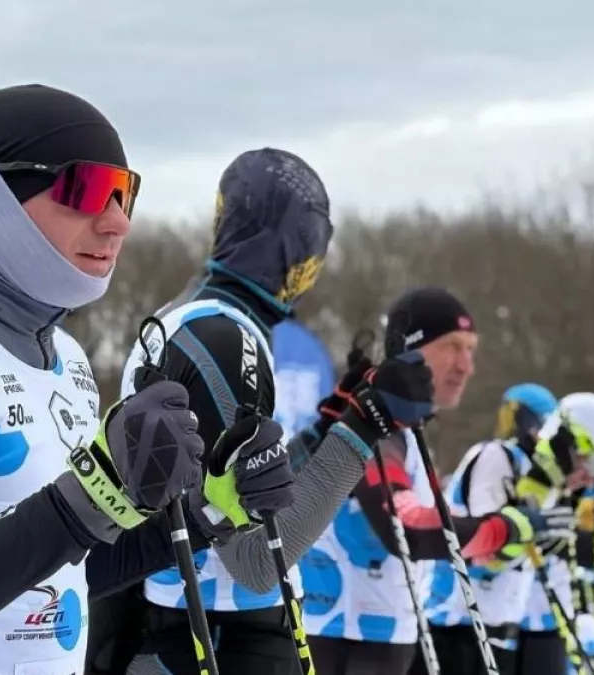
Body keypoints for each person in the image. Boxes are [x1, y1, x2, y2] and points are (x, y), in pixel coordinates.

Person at [0, 84, 284, 674]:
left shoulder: (67, 358)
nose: (117, 222)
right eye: (86, 189)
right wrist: (89, 498)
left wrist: (206, 512)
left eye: (125, 193)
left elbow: (53, 574)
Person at [87, 148, 434, 675]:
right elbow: (254, 560)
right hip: (222, 635)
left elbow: (242, 487)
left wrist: (331, 423)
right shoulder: (226, 342)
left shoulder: (191, 317)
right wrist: (364, 427)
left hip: (184, 625)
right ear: (302, 246)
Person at [300, 287, 557, 675]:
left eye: (471, 350)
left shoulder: (404, 431)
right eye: (452, 347)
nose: (466, 366)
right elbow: (407, 528)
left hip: (380, 637)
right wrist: (503, 529)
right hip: (346, 642)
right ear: (409, 350)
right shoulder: (377, 428)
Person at [417, 383, 576, 675]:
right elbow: (488, 536)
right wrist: (526, 526)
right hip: (458, 621)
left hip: (501, 623)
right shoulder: (496, 456)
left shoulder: (539, 472)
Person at [511, 392, 594, 675]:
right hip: (513, 625)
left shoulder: (566, 492)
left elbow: (592, 552)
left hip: (548, 624)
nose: (591, 479)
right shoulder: (513, 466)